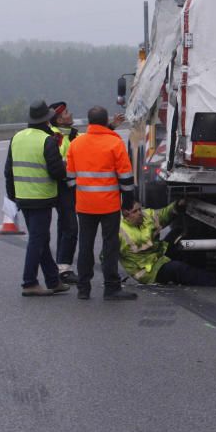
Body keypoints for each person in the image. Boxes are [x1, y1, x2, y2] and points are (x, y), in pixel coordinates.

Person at [66, 106, 136, 300]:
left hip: (85, 205)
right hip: (109, 205)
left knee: (85, 245)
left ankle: (83, 288)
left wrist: (79, 195)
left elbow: (70, 178)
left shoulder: (76, 144)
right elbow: (126, 176)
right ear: (106, 120)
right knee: (109, 245)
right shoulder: (114, 143)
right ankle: (111, 287)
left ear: (89, 121)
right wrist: (128, 201)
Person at [4, 100, 70, 296]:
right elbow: (57, 172)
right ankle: (29, 282)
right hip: (42, 197)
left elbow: (8, 171)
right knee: (37, 240)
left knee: (40, 239)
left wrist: (12, 196)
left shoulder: (16, 137)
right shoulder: (47, 140)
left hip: (23, 197)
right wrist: (66, 166)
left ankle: (52, 280)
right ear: (47, 120)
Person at [119, 200, 216, 286]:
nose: (140, 213)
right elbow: (106, 255)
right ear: (126, 214)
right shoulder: (120, 232)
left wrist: (177, 205)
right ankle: (215, 280)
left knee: (182, 235)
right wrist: (112, 279)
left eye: (140, 209)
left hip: (158, 255)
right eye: (135, 211)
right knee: (177, 269)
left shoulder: (146, 216)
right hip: (149, 271)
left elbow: (163, 214)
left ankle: (199, 269)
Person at [49, 101, 79, 283]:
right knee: (70, 227)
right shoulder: (56, 137)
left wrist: (109, 126)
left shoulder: (71, 134)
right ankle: (64, 269)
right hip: (62, 186)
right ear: (60, 119)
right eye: (67, 112)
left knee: (64, 225)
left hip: (69, 186)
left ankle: (61, 266)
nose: (71, 113)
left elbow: (89, 140)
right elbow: (59, 162)